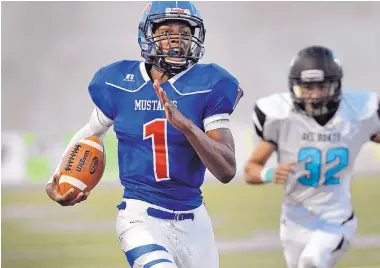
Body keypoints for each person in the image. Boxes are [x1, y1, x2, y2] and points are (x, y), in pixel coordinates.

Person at [45, 1, 244, 268]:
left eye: (184, 34)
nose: (177, 41)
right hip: (140, 216)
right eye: (167, 33)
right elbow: (90, 132)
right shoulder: (120, 82)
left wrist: (186, 126)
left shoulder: (211, 83)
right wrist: (57, 180)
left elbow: (227, 170)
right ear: (149, 35)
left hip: (194, 221)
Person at [244, 45, 380, 268]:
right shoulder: (280, 116)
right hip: (294, 222)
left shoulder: (358, 113)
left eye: (321, 87)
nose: (315, 95)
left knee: (311, 262)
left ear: (335, 85)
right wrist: (270, 173)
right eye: (307, 87)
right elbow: (250, 170)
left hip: (336, 219)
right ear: (295, 87)